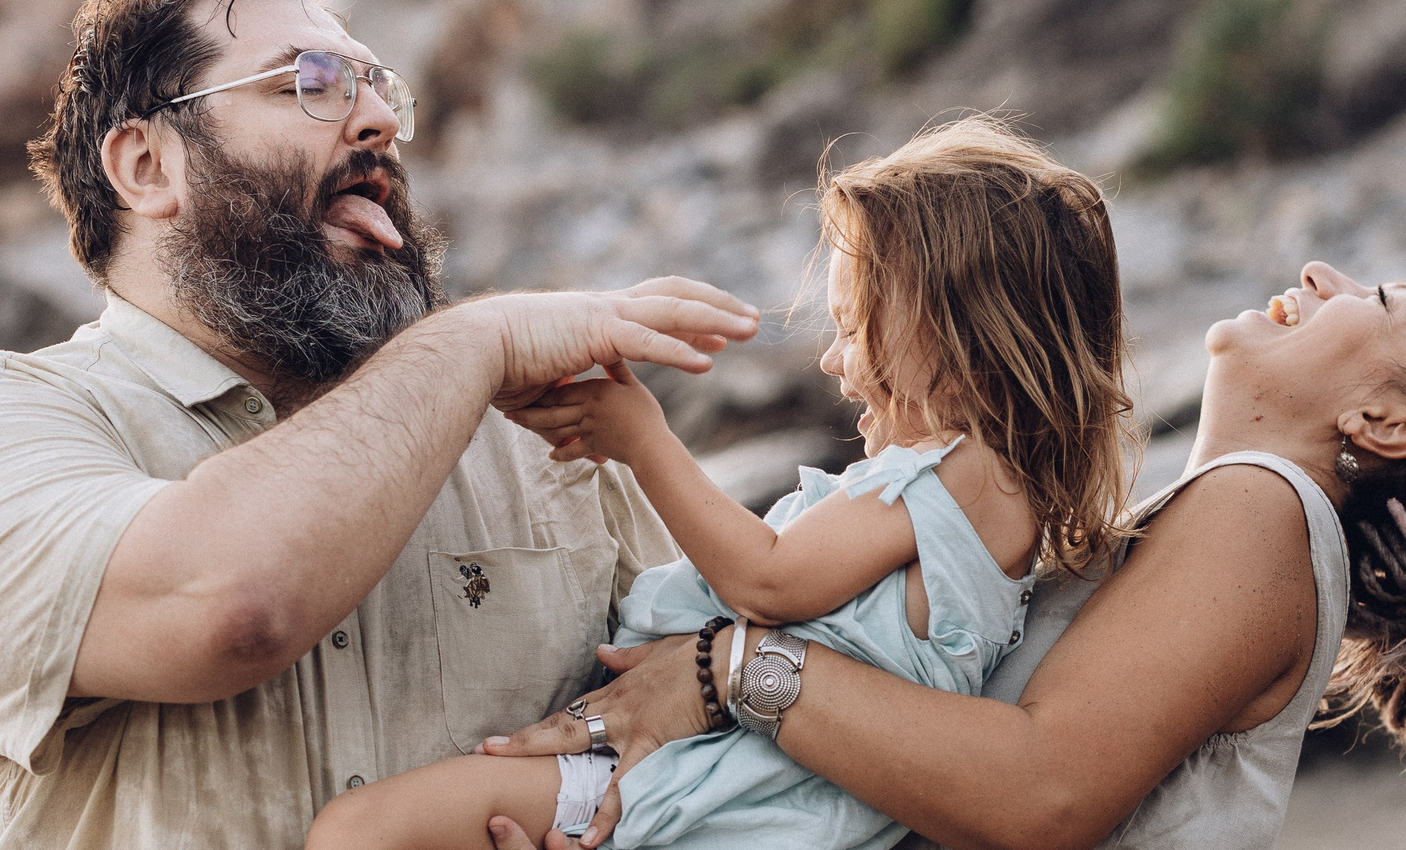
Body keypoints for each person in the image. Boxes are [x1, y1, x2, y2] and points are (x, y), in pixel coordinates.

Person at [0, 0, 759, 850]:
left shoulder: (546, 442)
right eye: (310, 84)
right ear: (145, 165)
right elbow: (228, 603)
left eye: (378, 90)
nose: (376, 122)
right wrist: (474, 337)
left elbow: (723, 724)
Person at [482, 260, 1406, 850]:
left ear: (1383, 424)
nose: (1321, 274)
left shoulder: (1263, 510)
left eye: (1380, 300)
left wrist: (734, 670)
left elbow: (1041, 794)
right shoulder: (1219, 518)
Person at [302, 119, 1135, 848]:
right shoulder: (993, 493)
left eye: (857, 330)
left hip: (718, 788)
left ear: (962, 340)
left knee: (359, 832)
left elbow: (767, 579)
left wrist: (644, 441)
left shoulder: (962, 476)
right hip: (742, 779)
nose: (834, 361)